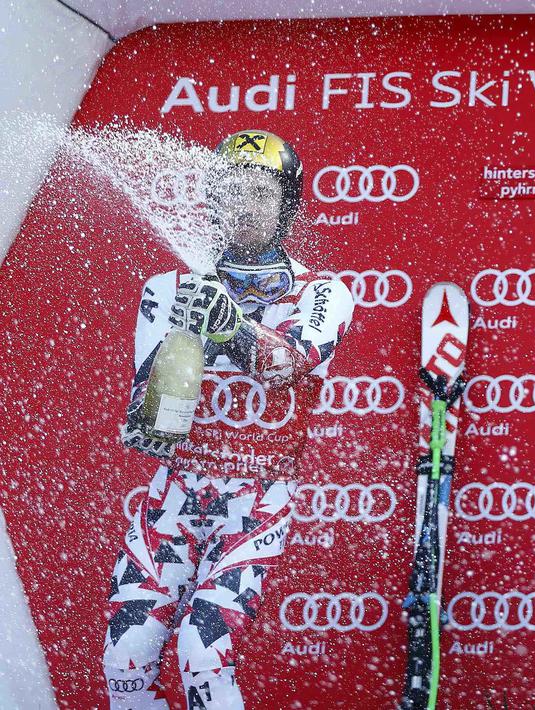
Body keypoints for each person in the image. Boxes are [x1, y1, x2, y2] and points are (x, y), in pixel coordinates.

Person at [101, 130, 354, 709]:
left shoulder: (322, 292)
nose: (244, 204)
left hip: (256, 501)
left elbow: (290, 366)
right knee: (125, 652)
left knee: (200, 651)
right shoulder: (170, 288)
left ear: (286, 205)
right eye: (231, 190)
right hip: (174, 496)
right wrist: (181, 343)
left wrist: (230, 328)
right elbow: (149, 424)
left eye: (260, 193)